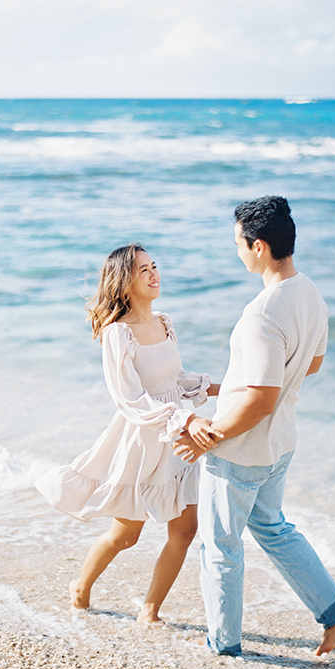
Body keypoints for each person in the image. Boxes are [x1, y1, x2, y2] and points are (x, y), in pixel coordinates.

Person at [173, 195, 335, 657]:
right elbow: (309, 366)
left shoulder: (263, 312)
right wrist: (224, 387)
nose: (236, 251)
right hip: (280, 443)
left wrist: (208, 437)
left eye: (238, 243)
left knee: (220, 548)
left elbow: (260, 399)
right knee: (273, 528)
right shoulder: (310, 293)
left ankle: (224, 644)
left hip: (241, 450)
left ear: (258, 247)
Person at [35, 243, 221, 624]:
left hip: (177, 438)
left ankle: (149, 611)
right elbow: (131, 400)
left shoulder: (165, 322)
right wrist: (185, 421)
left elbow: (175, 381)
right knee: (126, 535)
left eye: (154, 266)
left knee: (185, 530)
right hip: (143, 441)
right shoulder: (118, 334)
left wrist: (225, 386)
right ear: (124, 281)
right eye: (143, 270)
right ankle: (81, 586)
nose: (154, 275)